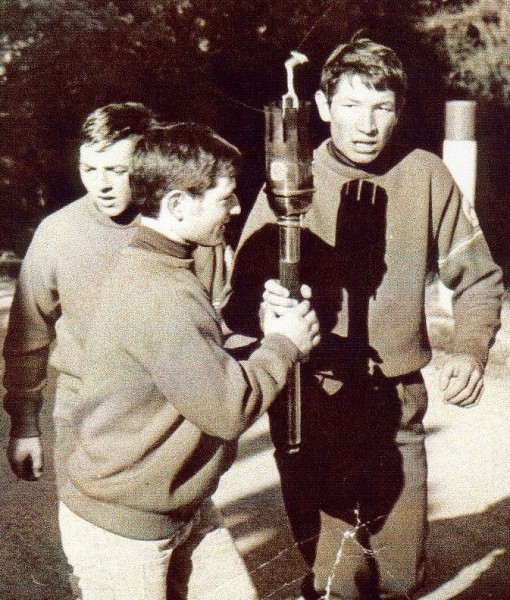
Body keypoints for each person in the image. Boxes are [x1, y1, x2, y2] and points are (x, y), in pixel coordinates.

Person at [222, 37, 503, 599]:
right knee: (335, 580)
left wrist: (471, 351)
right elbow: (240, 299)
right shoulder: (288, 178)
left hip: (395, 398)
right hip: (310, 397)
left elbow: (479, 278)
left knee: (400, 577)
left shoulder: (426, 175)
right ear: (323, 108)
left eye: (382, 106)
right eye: (351, 105)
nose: (367, 123)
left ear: (399, 110)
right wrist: (267, 310)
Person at [56, 122, 320, 600]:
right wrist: (283, 346)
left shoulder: (164, 267)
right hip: (126, 523)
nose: (238, 209)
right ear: (178, 204)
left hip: (180, 505)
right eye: (226, 198)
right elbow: (226, 408)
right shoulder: (160, 291)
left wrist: (262, 337)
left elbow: (192, 367)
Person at [2, 102, 160, 483]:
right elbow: (28, 337)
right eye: (89, 170)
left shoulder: (180, 223)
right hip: (89, 423)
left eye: (117, 171)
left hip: (171, 425)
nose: (101, 185)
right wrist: (24, 425)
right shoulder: (58, 233)